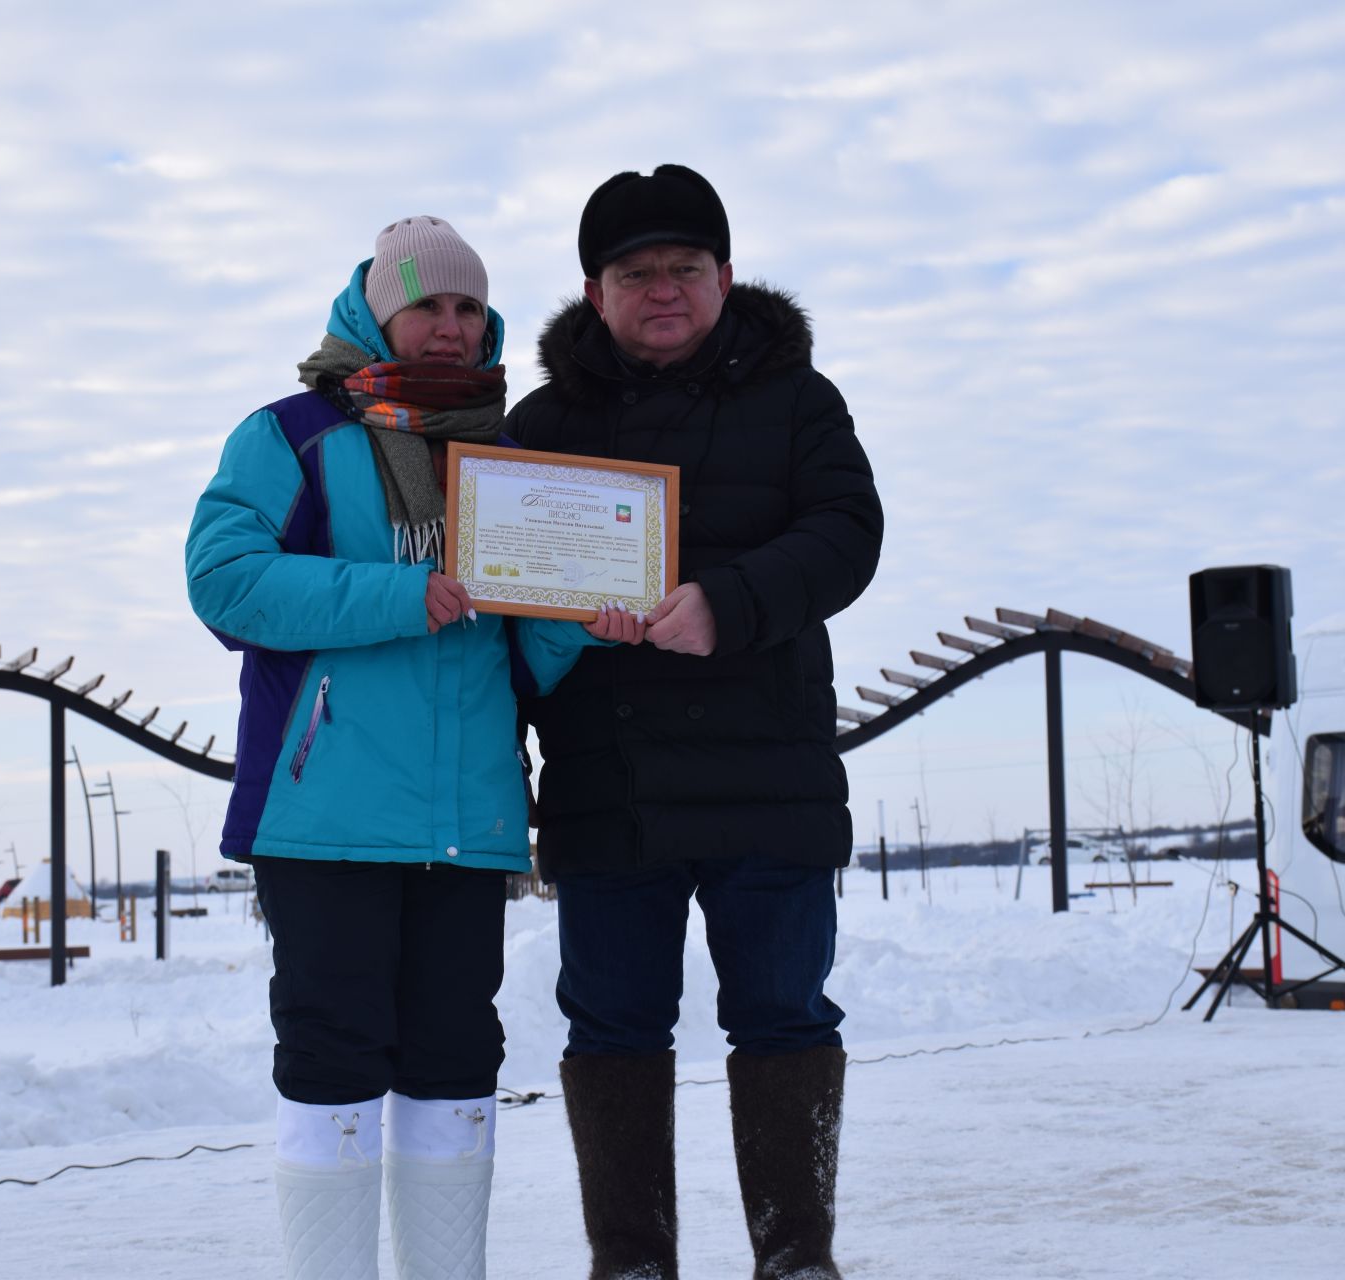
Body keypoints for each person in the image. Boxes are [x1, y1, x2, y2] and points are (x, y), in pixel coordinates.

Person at [185, 216, 640, 1280]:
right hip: (325, 812)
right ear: (375, 310)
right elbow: (226, 581)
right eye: (426, 303)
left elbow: (520, 653)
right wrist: (401, 592)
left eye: (468, 306)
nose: (449, 324)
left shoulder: (510, 458)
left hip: (467, 818)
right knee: (332, 1052)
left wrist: (588, 615)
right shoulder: (291, 434)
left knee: (453, 1059)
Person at [504, 167, 883, 1279]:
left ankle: (796, 1258)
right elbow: (510, 594)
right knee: (613, 1025)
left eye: (683, 267)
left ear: (723, 274)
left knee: (782, 1015)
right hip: (605, 781)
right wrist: (567, 622)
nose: (661, 289)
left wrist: (727, 602)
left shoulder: (799, 399)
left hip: (770, 776)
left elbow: (847, 532)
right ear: (594, 288)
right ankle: (630, 1263)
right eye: (636, 272)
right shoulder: (542, 425)